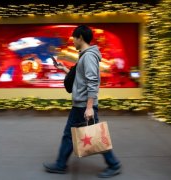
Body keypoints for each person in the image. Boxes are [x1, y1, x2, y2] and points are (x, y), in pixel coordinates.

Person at [43, 25, 122, 178]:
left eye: (74, 37)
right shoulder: (85, 55)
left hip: (84, 105)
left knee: (94, 136)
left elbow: (93, 81)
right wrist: (63, 69)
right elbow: (80, 78)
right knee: (71, 134)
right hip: (81, 104)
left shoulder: (89, 56)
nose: (72, 40)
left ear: (80, 37)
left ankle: (113, 164)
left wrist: (90, 107)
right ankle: (61, 163)